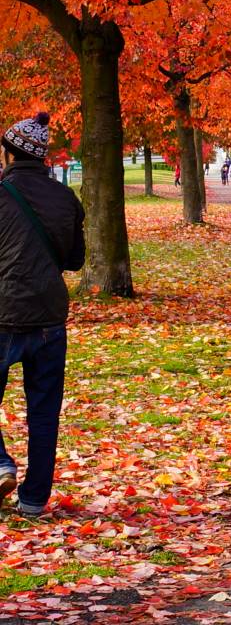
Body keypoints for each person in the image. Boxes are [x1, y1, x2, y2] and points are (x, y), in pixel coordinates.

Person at [0, 112, 84, 518]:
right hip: (50, 317)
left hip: (4, 313)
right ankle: (33, 501)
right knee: (44, 411)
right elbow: (74, 260)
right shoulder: (66, 198)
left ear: (8, 153)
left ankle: (0, 463)